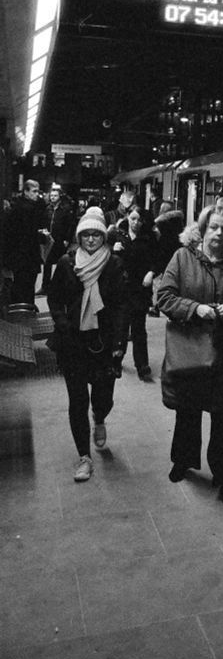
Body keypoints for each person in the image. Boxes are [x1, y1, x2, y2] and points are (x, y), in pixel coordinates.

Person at [156, 205, 223, 511]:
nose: (219, 234)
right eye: (213, 227)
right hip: (189, 350)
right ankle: (182, 462)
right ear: (202, 229)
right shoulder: (182, 258)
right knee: (187, 410)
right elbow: (164, 297)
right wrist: (195, 309)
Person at [47, 206, 128, 482]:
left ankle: (101, 417)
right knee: (77, 400)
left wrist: (119, 340)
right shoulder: (67, 264)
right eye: (86, 235)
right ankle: (84, 457)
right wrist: (62, 322)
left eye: (96, 235)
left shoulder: (114, 264)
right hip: (73, 342)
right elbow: (54, 298)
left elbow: (120, 305)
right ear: (79, 237)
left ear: (103, 237)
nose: (91, 240)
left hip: (104, 343)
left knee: (103, 397)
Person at [111, 205, 159, 379]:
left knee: (139, 328)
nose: (136, 223)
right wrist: (112, 250)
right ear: (127, 218)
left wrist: (151, 273)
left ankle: (142, 365)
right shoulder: (117, 235)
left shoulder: (149, 237)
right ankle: (116, 361)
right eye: (133, 219)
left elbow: (158, 259)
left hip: (140, 288)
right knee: (121, 327)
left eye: (139, 219)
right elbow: (106, 260)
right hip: (121, 288)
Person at [3, 179, 49, 309]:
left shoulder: (19, 207)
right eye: (34, 191)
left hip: (21, 257)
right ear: (26, 191)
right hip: (26, 256)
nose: (36, 195)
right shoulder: (27, 209)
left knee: (21, 287)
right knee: (26, 287)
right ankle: (26, 310)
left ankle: (22, 310)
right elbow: (28, 234)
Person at [148, 200, 185, 316]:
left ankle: (157, 306)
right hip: (177, 256)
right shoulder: (179, 223)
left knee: (160, 284)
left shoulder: (161, 225)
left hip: (164, 257)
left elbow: (160, 245)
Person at [37, 184, 75, 295]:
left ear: (59, 197)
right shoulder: (47, 209)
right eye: (51, 195)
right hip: (49, 239)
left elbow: (70, 225)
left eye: (55, 195)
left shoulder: (65, 209)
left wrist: (67, 239)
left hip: (60, 240)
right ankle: (45, 286)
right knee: (47, 263)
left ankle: (59, 287)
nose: (52, 197)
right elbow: (43, 221)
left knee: (61, 263)